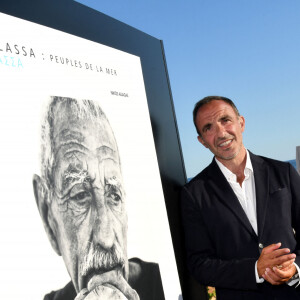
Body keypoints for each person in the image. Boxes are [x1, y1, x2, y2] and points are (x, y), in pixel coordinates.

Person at [33, 96, 165, 300]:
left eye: (114, 195)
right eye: (80, 195)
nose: (106, 238)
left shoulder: (167, 283)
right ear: (47, 216)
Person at [181, 96, 300, 299]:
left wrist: (296, 269)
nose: (220, 132)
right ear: (202, 141)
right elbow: (199, 264)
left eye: (225, 120)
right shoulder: (193, 194)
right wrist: (255, 269)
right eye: (208, 127)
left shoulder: (284, 172)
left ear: (241, 123)